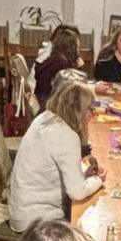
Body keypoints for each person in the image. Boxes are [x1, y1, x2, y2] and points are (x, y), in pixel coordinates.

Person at [7, 76, 104, 232]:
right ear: (76, 110)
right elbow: (77, 193)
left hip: (20, 209)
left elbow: (56, 170)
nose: (92, 114)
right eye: (90, 109)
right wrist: (98, 180)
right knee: (90, 230)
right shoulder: (66, 135)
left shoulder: (44, 119)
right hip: (35, 222)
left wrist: (85, 175)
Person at [33, 25, 84, 106]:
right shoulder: (61, 64)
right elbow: (74, 91)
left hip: (44, 101)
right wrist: (79, 68)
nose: (80, 48)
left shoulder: (55, 58)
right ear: (70, 47)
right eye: (77, 46)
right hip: (50, 106)